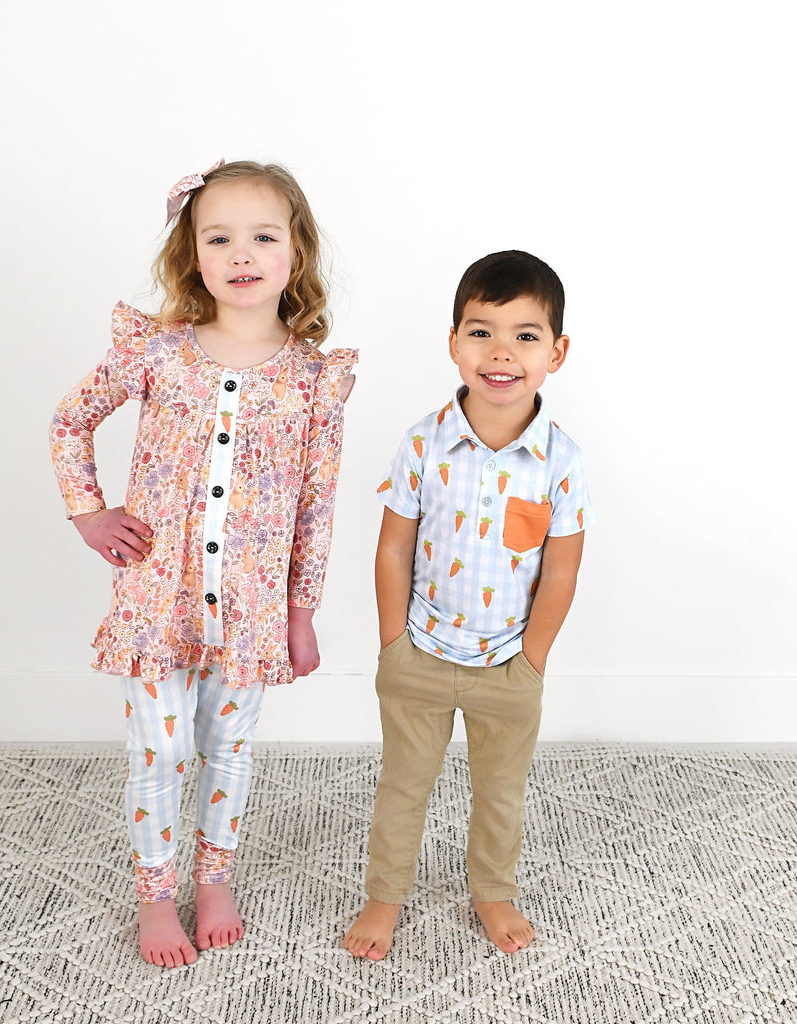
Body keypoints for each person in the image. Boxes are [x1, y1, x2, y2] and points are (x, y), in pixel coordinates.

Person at [50, 160, 357, 968]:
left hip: (251, 611)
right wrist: (88, 510)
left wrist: (301, 613)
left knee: (228, 748)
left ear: (296, 250)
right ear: (193, 252)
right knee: (159, 751)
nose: (241, 254)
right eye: (218, 238)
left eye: (263, 237)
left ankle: (214, 878)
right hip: (158, 600)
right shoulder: (158, 353)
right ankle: (155, 893)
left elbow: (315, 506)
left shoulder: (314, 380)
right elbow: (71, 420)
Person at [344, 250, 593, 960]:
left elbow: (563, 568)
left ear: (556, 352)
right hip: (419, 654)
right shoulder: (424, 442)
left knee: (501, 792)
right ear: (454, 343)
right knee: (403, 787)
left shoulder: (561, 461)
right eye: (481, 332)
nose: (501, 352)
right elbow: (393, 547)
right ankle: (384, 895)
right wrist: (393, 643)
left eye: (525, 336)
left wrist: (532, 659)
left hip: (509, 663)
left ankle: (492, 890)